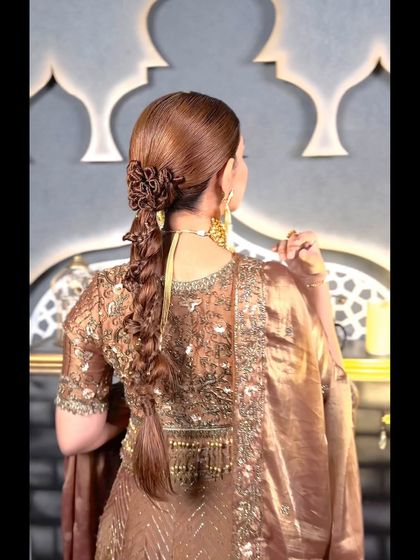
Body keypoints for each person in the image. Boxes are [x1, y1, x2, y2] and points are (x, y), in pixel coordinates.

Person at [55, 91, 364, 559]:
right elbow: (331, 395)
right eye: (243, 159)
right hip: (243, 535)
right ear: (226, 176)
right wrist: (313, 283)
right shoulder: (272, 288)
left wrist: (144, 400)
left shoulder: (103, 292)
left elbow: (75, 436)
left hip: (133, 533)